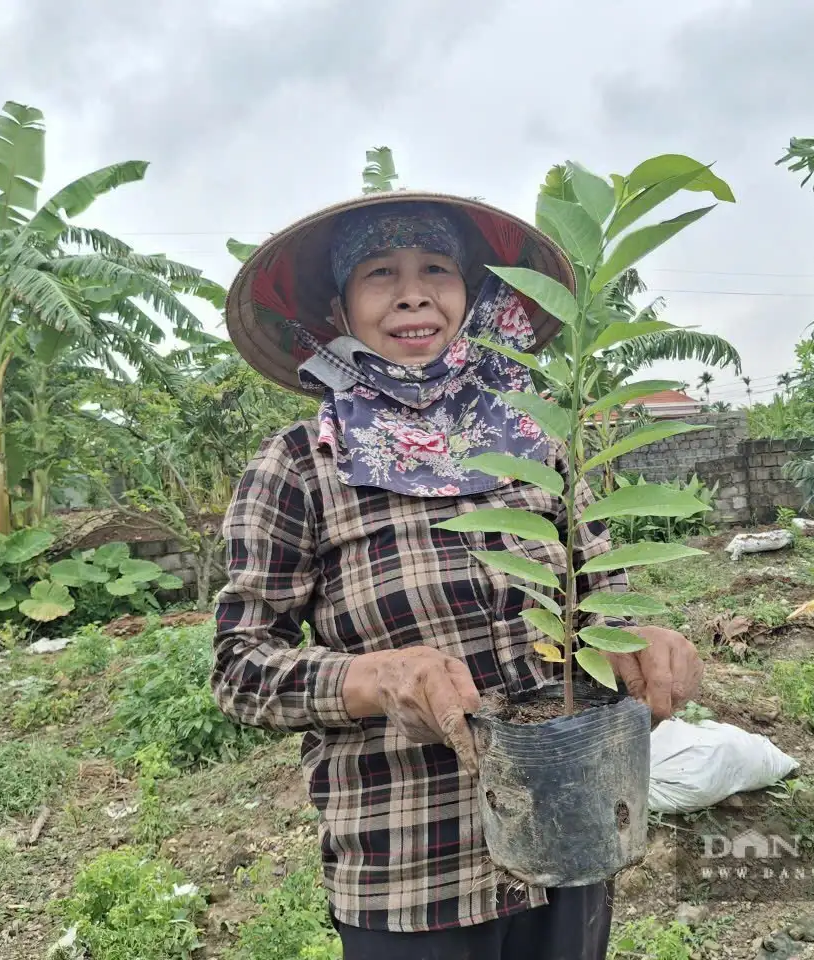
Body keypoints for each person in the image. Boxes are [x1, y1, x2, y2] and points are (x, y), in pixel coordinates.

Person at [212, 190, 704, 959]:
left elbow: (596, 597)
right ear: (339, 310)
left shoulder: (537, 441)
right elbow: (240, 667)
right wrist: (377, 679)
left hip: (568, 838)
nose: (412, 291)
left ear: (473, 297)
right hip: (411, 867)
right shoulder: (302, 465)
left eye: (436, 267)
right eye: (380, 273)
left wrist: (642, 641)